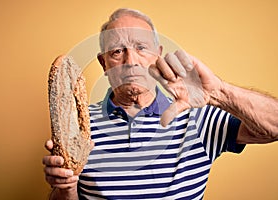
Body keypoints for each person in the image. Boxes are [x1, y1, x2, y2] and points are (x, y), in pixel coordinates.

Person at [42, 8, 278, 200]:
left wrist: (219, 93)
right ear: (104, 64)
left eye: (141, 48)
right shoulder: (78, 129)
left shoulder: (199, 116)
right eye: (117, 51)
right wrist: (66, 189)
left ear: (158, 54)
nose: (131, 61)